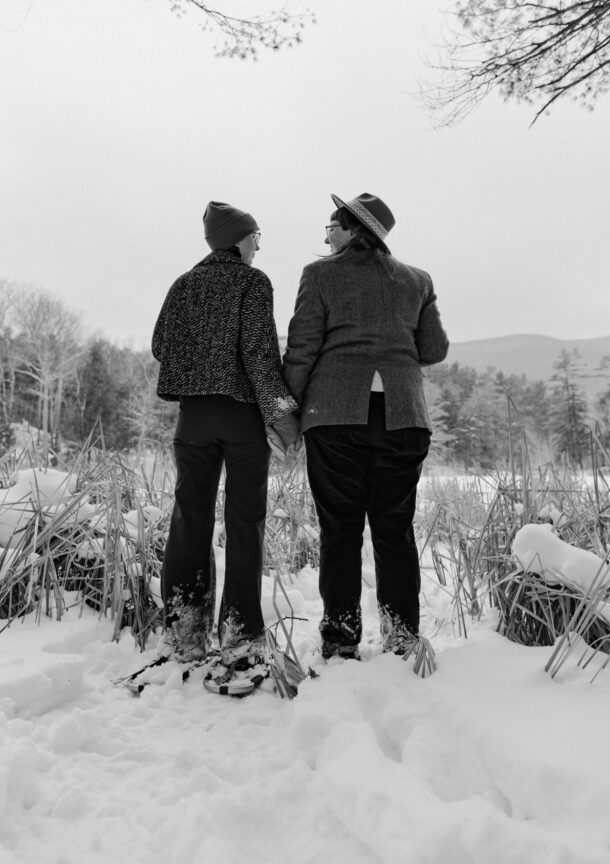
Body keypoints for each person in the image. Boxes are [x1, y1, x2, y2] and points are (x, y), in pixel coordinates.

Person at [282, 192, 448, 665]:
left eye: (331, 228)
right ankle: (401, 637)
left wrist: (285, 411)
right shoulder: (417, 280)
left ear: (354, 229)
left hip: (335, 418)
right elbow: (434, 349)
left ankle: (340, 640)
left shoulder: (319, 275)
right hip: (403, 417)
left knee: (340, 530)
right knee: (395, 529)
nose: (326, 238)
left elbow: (302, 349)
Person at [152, 200, 299, 688]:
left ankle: (183, 635)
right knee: (244, 522)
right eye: (256, 237)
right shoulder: (252, 282)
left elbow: (160, 345)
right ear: (238, 239)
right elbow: (258, 352)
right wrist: (280, 412)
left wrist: (200, 358)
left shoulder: (183, 284)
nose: (258, 246)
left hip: (192, 419)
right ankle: (240, 637)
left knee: (188, 520)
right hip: (241, 420)